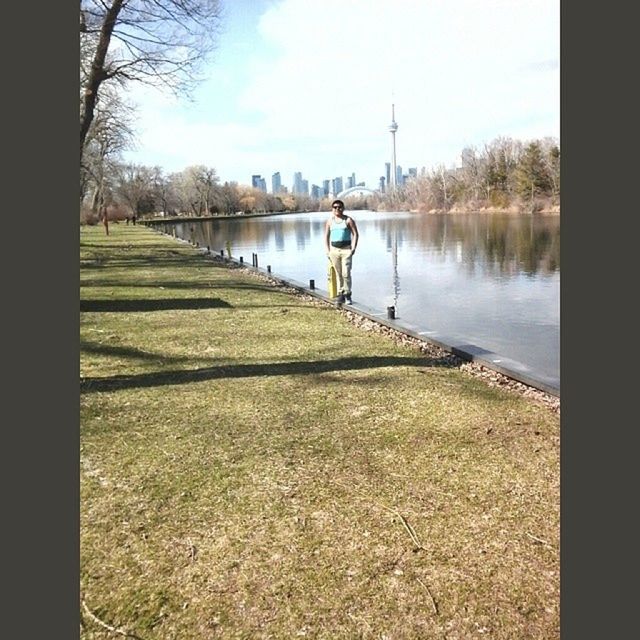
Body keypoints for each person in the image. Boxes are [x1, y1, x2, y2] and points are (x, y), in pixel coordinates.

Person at [324, 199, 359, 304]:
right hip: (334, 251)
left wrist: (353, 248)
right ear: (332, 209)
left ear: (343, 208)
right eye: (335, 207)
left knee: (346, 272)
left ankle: (347, 294)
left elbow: (355, 234)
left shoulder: (348, 220)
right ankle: (341, 294)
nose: (337, 209)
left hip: (346, 250)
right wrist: (327, 251)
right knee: (339, 273)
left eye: (339, 207)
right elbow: (326, 236)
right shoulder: (330, 221)